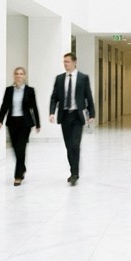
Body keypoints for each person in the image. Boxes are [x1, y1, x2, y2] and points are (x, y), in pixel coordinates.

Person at [49, 52, 95, 186]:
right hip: (64, 116)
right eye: (64, 61)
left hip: (77, 116)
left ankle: (75, 173)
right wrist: (52, 112)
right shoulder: (59, 79)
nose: (65, 64)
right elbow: (54, 97)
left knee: (75, 145)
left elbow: (88, 96)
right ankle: (73, 170)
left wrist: (92, 114)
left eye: (67, 61)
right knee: (69, 146)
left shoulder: (83, 78)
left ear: (75, 62)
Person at [0, 67, 40, 186]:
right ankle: (22, 167)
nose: (19, 76)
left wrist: (38, 123)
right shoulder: (9, 90)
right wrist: (0, 120)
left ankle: (17, 176)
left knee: (21, 148)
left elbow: (34, 107)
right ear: (14, 76)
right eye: (16, 74)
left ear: (24, 76)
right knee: (15, 149)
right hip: (12, 122)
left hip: (25, 123)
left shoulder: (29, 90)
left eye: (21, 74)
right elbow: (4, 106)